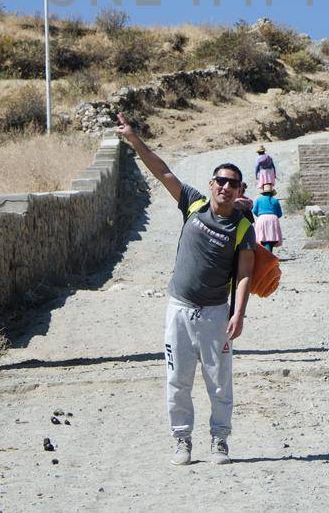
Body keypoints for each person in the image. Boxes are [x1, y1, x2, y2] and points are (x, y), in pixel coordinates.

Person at [115, 113, 253, 467]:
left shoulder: (242, 229)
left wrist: (238, 313)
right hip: (179, 309)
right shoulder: (193, 203)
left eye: (232, 183)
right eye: (221, 180)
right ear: (212, 184)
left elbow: (244, 275)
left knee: (219, 382)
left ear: (240, 191)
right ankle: (182, 441)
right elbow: (162, 172)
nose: (225, 186)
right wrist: (134, 139)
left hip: (215, 314)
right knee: (178, 379)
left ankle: (220, 440)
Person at [252, 183, 283, 252]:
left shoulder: (258, 200)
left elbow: (254, 210)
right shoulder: (275, 200)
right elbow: (280, 214)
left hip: (262, 218)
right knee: (271, 238)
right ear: (272, 193)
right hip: (273, 218)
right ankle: (269, 253)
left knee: (262, 237)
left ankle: (266, 254)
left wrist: (260, 215)